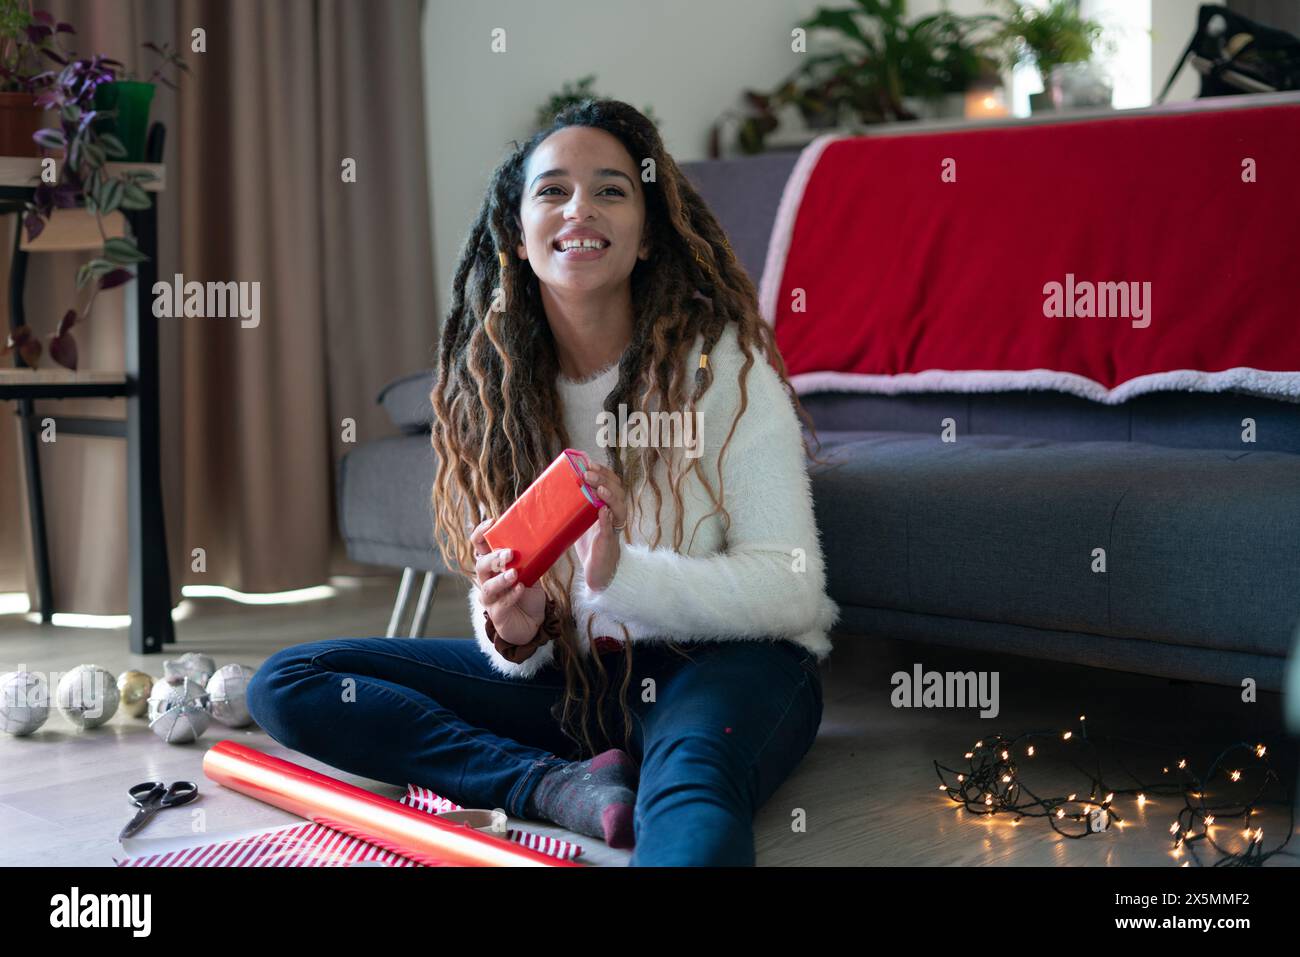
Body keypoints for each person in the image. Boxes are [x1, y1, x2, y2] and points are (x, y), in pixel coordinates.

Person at [247, 98, 839, 866]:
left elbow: (793, 587)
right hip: (577, 679)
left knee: (691, 787)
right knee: (292, 679)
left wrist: (622, 574)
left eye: (612, 189)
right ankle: (551, 787)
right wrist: (512, 627)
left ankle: (630, 776)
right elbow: (512, 598)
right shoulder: (500, 391)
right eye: (552, 190)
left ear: (650, 230)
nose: (579, 208)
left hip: (727, 663)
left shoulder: (725, 365)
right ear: (519, 237)